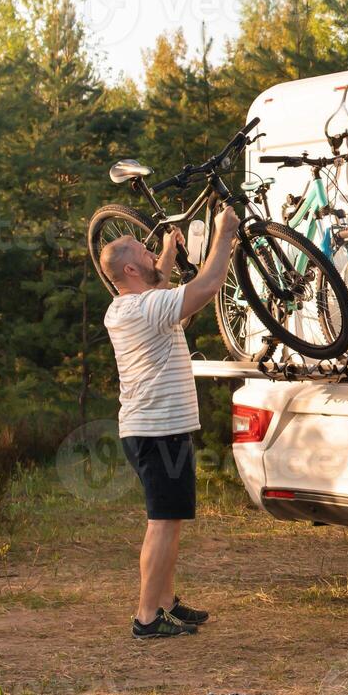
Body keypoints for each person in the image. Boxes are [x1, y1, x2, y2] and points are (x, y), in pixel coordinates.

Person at [99, 204, 238, 639]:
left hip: (156, 427)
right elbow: (208, 286)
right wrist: (223, 233)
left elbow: (154, 282)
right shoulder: (145, 310)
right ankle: (146, 617)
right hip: (156, 430)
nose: (149, 253)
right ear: (129, 268)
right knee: (161, 521)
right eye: (142, 251)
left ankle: (165, 602)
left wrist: (164, 252)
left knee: (171, 517)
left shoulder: (128, 306)